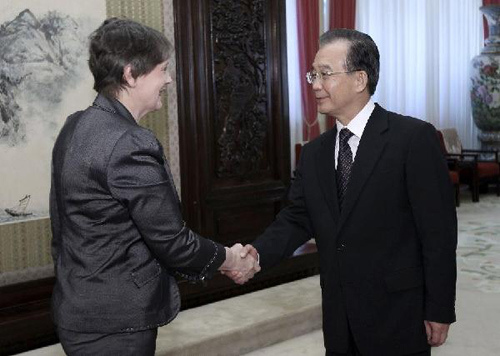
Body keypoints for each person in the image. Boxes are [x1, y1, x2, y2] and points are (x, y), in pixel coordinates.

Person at [235, 28, 457, 355]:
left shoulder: (412, 139)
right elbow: (297, 218)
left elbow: (438, 232)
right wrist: (256, 254)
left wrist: (439, 307)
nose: (314, 84)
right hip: (339, 314)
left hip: (398, 311)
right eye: (313, 74)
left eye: (325, 74)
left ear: (359, 79)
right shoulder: (314, 154)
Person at [49, 18, 259, 355]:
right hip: (118, 323)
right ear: (131, 74)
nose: (169, 79)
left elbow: (62, 229)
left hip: (77, 309)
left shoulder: (74, 126)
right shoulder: (129, 142)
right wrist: (231, 258)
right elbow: (173, 242)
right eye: (162, 69)